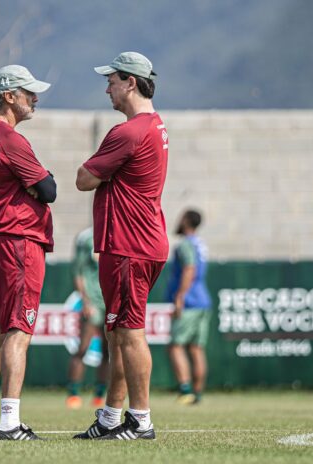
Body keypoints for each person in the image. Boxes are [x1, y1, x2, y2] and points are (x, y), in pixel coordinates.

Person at [73, 51, 168, 440]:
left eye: (112, 81)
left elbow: (83, 179)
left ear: (130, 82)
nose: (107, 88)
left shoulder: (127, 131)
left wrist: (100, 177)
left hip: (130, 244)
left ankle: (141, 420)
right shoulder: (155, 124)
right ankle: (112, 417)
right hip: (137, 242)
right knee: (117, 333)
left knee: (129, 333)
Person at [0, 65, 56, 440]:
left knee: (0, 332)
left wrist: (34, 187)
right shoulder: (9, 138)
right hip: (18, 242)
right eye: (28, 92)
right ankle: (9, 422)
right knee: (19, 330)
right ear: (9, 96)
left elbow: (39, 187)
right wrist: (36, 188)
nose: (34, 99)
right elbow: (49, 188)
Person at [166, 209, 212, 405]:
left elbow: (189, 269)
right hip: (203, 301)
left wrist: (180, 296)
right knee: (196, 348)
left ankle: (185, 390)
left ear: (186, 221)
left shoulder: (185, 244)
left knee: (176, 346)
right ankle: (198, 393)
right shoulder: (200, 244)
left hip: (190, 301)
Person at [65, 227, 109, 409]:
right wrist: (85, 300)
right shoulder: (86, 237)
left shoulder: (119, 231)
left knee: (108, 352)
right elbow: (78, 271)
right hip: (93, 301)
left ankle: (100, 394)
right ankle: (73, 394)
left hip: (111, 301)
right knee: (82, 348)